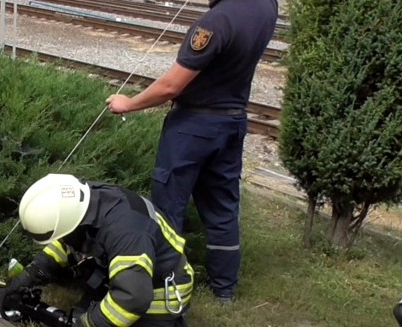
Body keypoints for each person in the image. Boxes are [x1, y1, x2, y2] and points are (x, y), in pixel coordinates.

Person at [0, 173, 258, 327]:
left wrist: (91, 325)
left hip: (157, 290)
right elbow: (67, 244)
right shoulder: (87, 204)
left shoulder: (125, 231)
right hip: (135, 277)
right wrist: (32, 275)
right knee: (86, 321)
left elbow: (133, 297)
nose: (61, 243)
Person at [105, 0, 278, 303]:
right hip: (233, 121)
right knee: (223, 207)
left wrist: (128, 104)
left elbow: (171, 86)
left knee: (168, 207)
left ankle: (168, 283)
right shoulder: (267, 6)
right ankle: (224, 289)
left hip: (193, 126)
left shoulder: (216, 21)